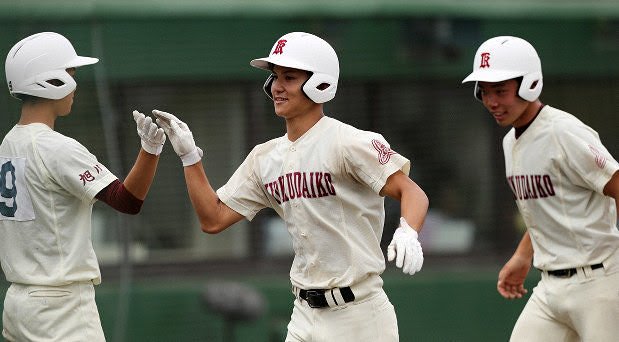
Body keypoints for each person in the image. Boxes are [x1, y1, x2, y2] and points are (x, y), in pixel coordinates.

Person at [152, 31, 429, 341]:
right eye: (274, 77)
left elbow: (411, 191)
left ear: (320, 83)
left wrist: (408, 230)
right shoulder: (264, 157)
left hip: (358, 315)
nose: (276, 87)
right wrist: (190, 157)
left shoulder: (349, 142)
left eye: (289, 77)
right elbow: (212, 218)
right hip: (304, 315)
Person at [0, 32, 165, 341]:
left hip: (18, 303)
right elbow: (127, 201)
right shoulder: (54, 146)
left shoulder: (8, 143)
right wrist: (151, 150)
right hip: (60, 306)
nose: (75, 84)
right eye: (70, 73)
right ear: (49, 80)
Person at [462, 35, 619, 341]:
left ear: (529, 85)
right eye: (484, 91)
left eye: (500, 90)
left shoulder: (564, 132)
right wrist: (523, 256)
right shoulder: (511, 142)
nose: (492, 101)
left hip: (599, 282)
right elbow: (544, 210)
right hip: (549, 288)